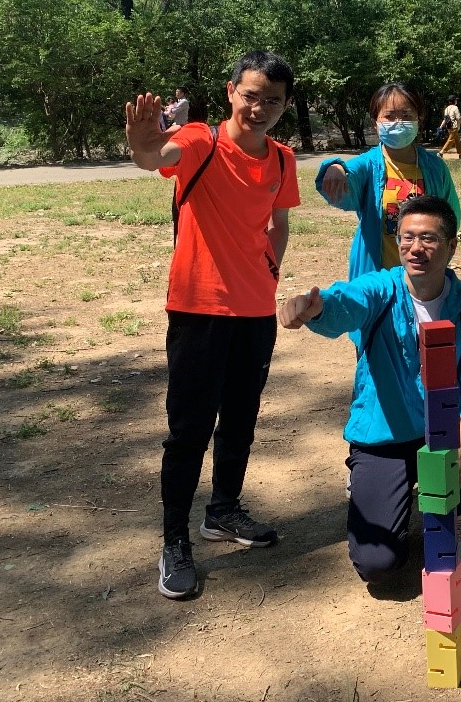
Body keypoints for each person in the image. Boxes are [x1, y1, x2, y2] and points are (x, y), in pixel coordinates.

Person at [124, 51, 300, 601]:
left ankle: (223, 511)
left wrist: (270, 269)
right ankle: (174, 540)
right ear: (231, 91)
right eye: (251, 96)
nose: (260, 108)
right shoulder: (202, 139)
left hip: (256, 313)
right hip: (199, 309)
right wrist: (142, 144)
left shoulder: (282, 159)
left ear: (284, 105)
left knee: (241, 420)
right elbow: (157, 157)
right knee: (189, 430)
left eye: (272, 100)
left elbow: (279, 221)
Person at [278, 195, 461, 582]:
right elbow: (345, 303)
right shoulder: (381, 290)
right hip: (386, 437)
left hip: (444, 432)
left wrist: (460, 445)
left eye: (428, 238)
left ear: (451, 246)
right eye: (407, 237)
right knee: (378, 565)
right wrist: (316, 307)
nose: (415, 248)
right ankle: (374, 482)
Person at [316, 82, 461, 280]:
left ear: (419, 120)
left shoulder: (436, 168)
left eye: (407, 115)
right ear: (374, 123)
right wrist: (335, 168)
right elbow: (347, 177)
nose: (398, 123)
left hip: (423, 279)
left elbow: (450, 219)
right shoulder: (368, 165)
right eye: (390, 116)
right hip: (376, 281)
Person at [437, 95, 461, 159]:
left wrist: (441, 126)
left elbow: (445, 119)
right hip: (454, 127)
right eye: (456, 100)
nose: (457, 101)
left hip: (449, 127)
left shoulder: (446, 109)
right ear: (454, 101)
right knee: (450, 140)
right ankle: (441, 153)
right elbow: (458, 118)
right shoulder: (455, 108)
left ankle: (460, 154)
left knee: (457, 140)